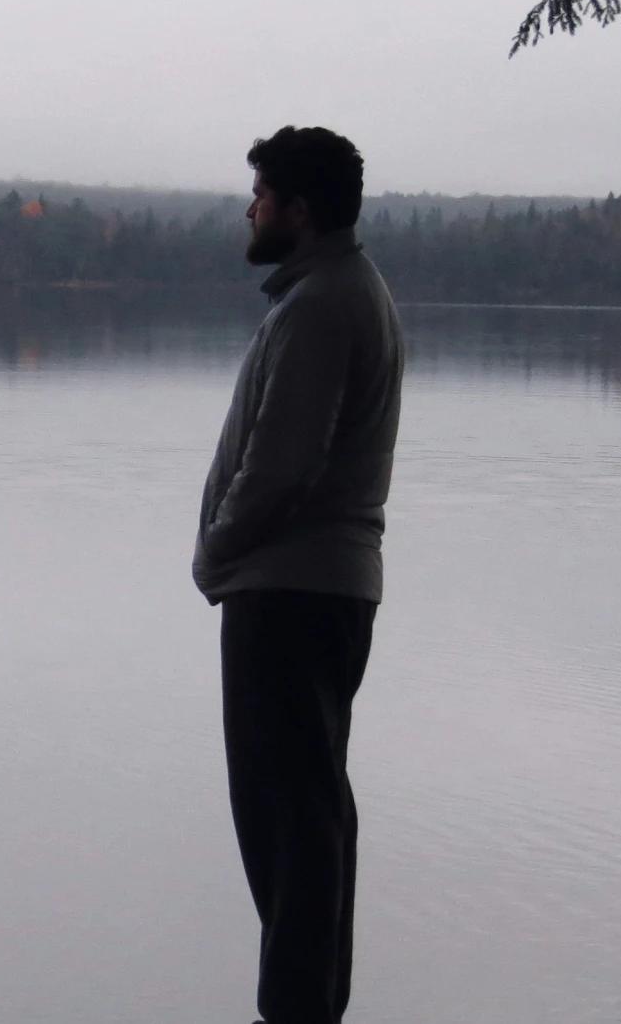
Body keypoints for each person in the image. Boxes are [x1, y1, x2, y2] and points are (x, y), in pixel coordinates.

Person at [197, 126, 404, 1024]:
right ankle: (309, 1009)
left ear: (301, 209)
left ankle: (294, 1015)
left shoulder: (322, 305)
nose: (251, 207)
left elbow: (282, 468)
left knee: (290, 825)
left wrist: (215, 551)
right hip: (311, 591)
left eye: (262, 193)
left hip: (290, 592)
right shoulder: (329, 292)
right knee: (310, 816)